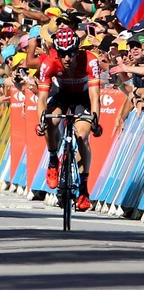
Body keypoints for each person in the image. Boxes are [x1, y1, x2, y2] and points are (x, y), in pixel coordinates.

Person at [35, 27, 102, 212]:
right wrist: (41, 121)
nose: (67, 58)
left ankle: (83, 188)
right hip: (61, 95)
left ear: (77, 50)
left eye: (71, 53)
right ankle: (53, 160)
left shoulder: (90, 60)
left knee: (82, 136)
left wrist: (95, 120)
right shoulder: (49, 63)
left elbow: (95, 96)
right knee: (51, 122)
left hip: (83, 97)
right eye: (62, 54)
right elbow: (42, 99)